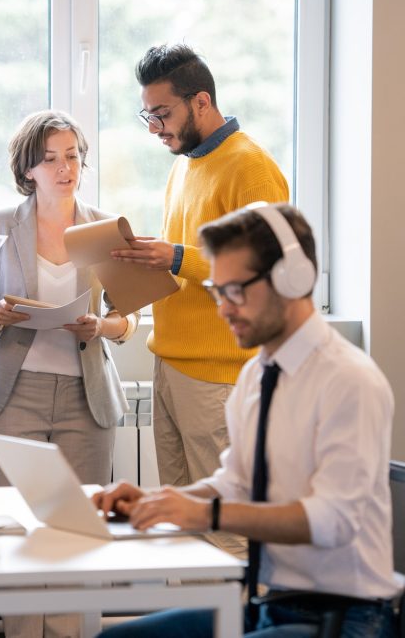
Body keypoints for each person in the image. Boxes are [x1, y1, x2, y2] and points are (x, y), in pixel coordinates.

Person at [95, 203, 399, 637]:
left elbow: (332, 521)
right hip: (271, 605)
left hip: (346, 619)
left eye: (235, 290)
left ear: (292, 279)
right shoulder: (258, 373)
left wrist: (204, 514)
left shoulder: (348, 380)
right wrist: (156, 500)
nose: (223, 309)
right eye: (219, 291)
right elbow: (235, 483)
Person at [0, 110, 138, 638]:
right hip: (10, 396)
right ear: (28, 169)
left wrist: (100, 327)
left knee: (75, 534)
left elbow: (131, 320)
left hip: (87, 399)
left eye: (73, 156)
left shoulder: (104, 227)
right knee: (16, 531)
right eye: (51, 159)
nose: (65, 169)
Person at [111, 43, 291, 502]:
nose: (154, 128)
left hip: (219, 378)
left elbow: (267, 271)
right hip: (170, 365)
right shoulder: (186, 165)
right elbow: (188, 259)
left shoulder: (250, 166)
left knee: (224, 522)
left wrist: (174, 256)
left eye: (163, 114)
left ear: (202, 102)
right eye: (146, 115)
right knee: (181, 519)